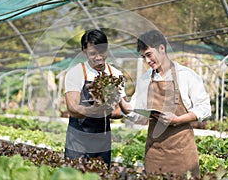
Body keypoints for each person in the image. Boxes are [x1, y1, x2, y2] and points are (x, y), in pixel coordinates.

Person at [119, 29, 211, 177]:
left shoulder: (185, 75)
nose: (147, 61)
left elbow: (205, 108)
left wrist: (178, 120)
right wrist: (123, 104)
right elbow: (137, 114)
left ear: (162, 48)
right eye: (143, 57)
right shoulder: (144, 79)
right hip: (155, 152)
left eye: (149, 55)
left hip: (182, 151)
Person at [64, 29, 126, 168]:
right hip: (77, 140)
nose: (98, 57)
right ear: (84, 51)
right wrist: (96, 110)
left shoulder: (116, 74)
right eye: (93, 53)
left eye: (102, 52)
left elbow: (120, 111)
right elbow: (72, 109)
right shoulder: (76, 73)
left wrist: (110, 111)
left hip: (102, 139)